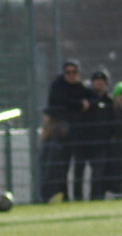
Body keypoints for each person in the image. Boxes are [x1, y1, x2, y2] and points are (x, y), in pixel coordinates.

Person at [41, 59, 94, 203]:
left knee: (79, 167)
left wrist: (86, 103)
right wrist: (79, 104)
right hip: (60, 135)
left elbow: (93, 98)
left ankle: (78, 196)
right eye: (68, 72)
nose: (71, 75)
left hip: (78, 134)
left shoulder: (81, 87)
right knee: (61, 167)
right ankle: (62, 196)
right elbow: (60, 100)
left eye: (74, 72)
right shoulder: (57, 86)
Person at [83, 69, 118, 201]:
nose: (99, 83)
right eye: (96, 80)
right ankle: (80, 196)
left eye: (101, 80)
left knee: (100, 172)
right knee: (82, 171)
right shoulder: (87, 99)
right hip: (87, 141)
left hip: (103, 142)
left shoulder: (109, 100)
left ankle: (97, 197)